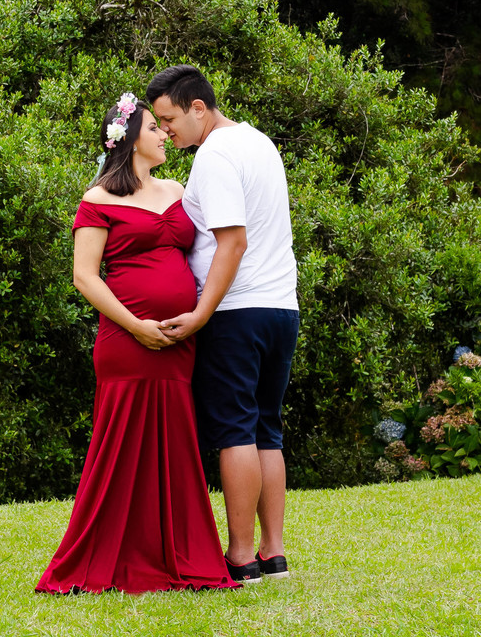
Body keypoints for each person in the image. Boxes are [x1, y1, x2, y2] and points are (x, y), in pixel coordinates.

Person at [35, 92, 239, 595]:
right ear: (128, 141)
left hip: (179, 339)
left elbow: (216, 241)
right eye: (154, 128)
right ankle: (105, 556)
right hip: (127, 341)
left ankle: (177, 554)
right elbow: (85, 277)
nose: (165, 134)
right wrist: (136, 326)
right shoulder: (98, 199)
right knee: (121, 444)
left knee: (174, 443)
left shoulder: (177, 189)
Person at [146, 66, 300, 584]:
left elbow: (232, 241)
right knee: (267, 430)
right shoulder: (260, 142)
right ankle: (273, 552)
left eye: (169, 120)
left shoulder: (213, 155)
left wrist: (201, 313)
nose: (166, 131)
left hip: (238, 310)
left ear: (198, 107)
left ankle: (240, 556)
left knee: (236, 430)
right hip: (282, 307)